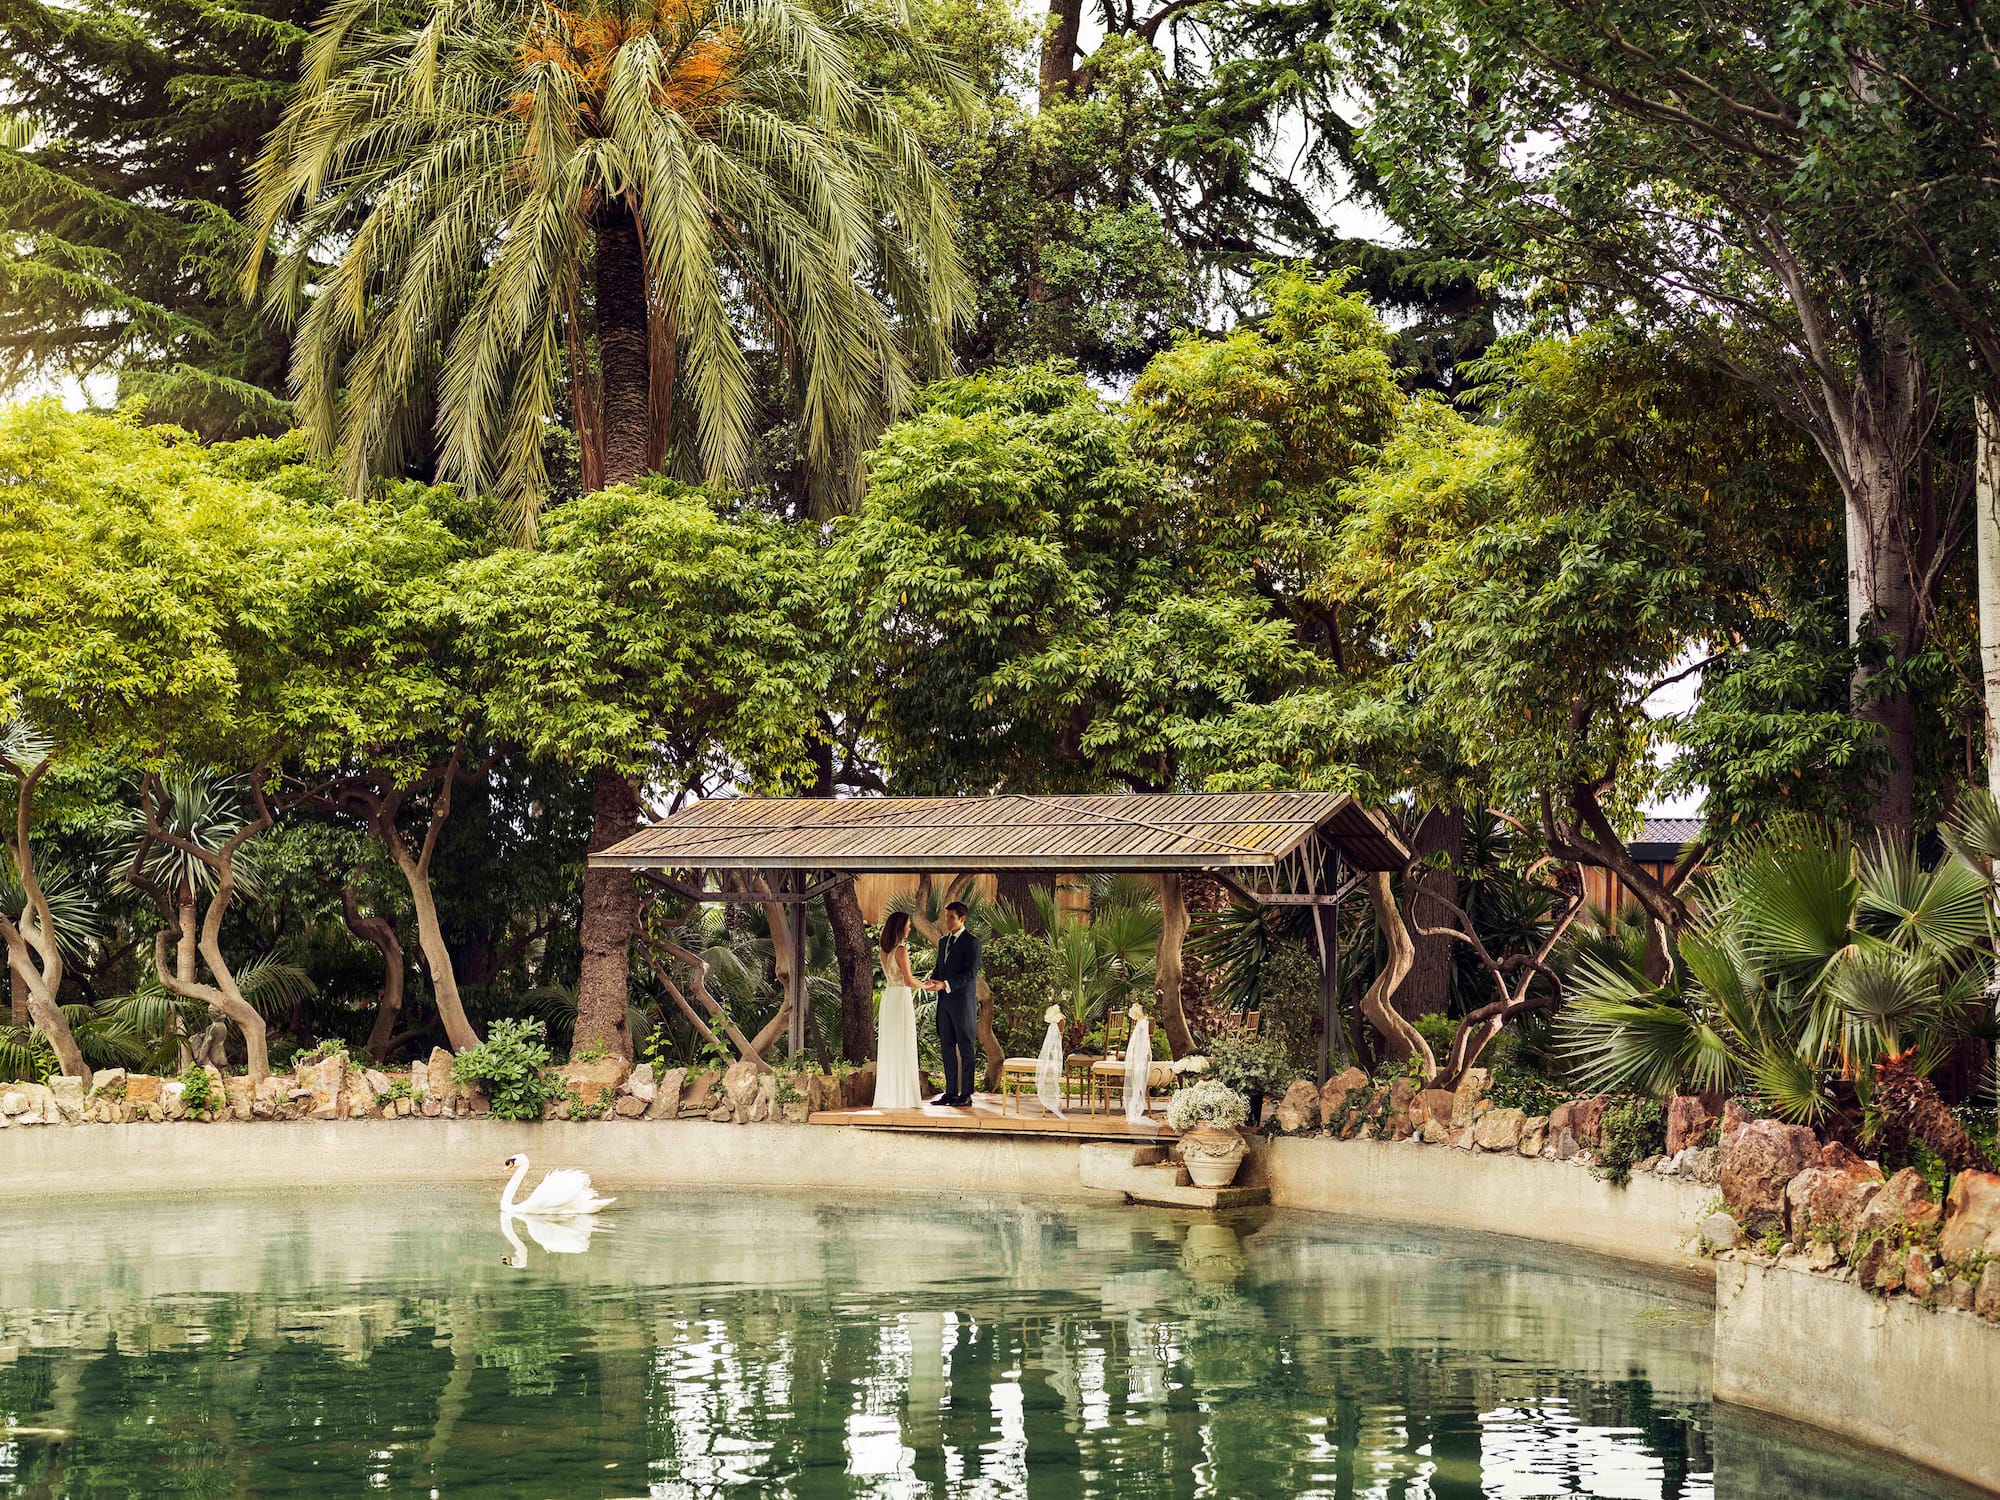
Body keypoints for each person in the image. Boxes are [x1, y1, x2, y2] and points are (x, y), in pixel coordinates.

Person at [921, 900, 981, 1106]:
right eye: (946, 917)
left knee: (966, 1049)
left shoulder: (972, 942)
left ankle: (966, 1095)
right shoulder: (943, 941)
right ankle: (950, 1092)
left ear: (962, 919)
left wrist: (945, 984)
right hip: (944, 1004)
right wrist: (932, 980)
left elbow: (970, 973)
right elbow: (940, 967)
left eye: (951, 917)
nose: (947, 921)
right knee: (947, 1047)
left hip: (962, 1005)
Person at [873, 912, 923, 1109]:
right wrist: (928, 986)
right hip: (901, 997)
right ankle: (905, 1097)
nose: (910, 928)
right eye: (908, 925)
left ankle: (890, 1095)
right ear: (901, 927)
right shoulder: (901, 950)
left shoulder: (883, 950)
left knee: (891, 1046)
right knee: (903, 1043)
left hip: (889, 997)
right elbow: (909, 981)